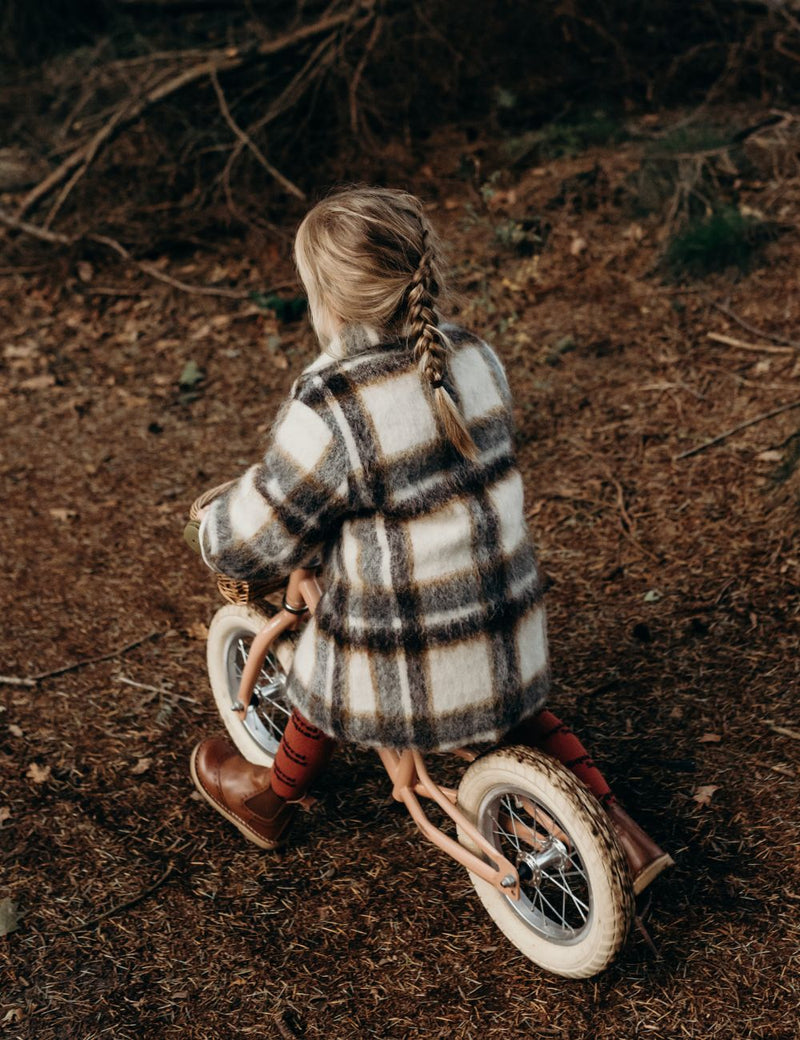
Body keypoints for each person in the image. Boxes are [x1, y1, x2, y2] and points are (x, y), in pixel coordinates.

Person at [190, 186, 672, 895]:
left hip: (409, 661)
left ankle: (270, 795)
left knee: (323, 677)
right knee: (524, 717)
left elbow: (258, 537)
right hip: (505, 629)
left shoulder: (334, 402)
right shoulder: (475, 357)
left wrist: (214, 528)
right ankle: (618, 833)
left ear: (327, 297)